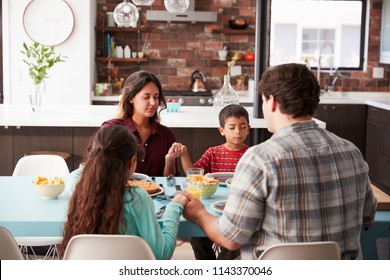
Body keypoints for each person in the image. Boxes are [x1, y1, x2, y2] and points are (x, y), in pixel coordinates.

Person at [182, 63, 378, 260]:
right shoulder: (352, 152)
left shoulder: (259, 159)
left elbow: (231, 237)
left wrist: (199, 213)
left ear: (273, 102)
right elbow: (368, 217)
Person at [60, 125, 189, 260]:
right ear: (132, 161)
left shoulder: (78, 188)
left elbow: (74, 176)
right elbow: (162, 254)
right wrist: (175, 206)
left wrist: (95, 165)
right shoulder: (137, 197)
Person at [171, 104, 250, 260]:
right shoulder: (213, 153)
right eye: (232, 127)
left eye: (242, 127)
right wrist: (184, 155)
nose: (237, 132)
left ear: (248, 129)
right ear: (221, 130)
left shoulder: (251, 154)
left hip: (237, 209)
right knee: (198, 238)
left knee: (235, 241)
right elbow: (193, 175)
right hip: (210, 208)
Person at [102, 70, 181, 177]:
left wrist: (169, 161)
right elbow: (100, 172)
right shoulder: (111, 129)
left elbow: (169, 182)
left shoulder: (166, 135)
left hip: (157, 193)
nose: (153, 103)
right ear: (131, 98)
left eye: (156, 97)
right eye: (146, 97)